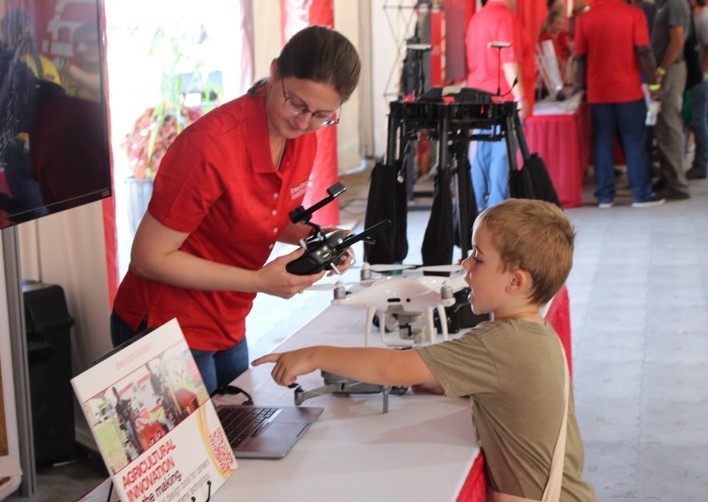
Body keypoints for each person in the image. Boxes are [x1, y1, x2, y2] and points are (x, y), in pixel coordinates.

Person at [254, 198, 596, 501]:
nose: (464, 264)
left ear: (515, 281)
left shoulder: (501, 344)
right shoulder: (532, 332)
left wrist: (312, 355)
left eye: (478, 256)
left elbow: (394, 368)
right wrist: (439, 377)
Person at [110, 26, 361, 395]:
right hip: (164, 323)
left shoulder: (301, 139)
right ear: (275, 72)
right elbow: (148, 257)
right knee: (197, 449)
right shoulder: (210, 147)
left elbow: (277, 215)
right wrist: (260, 281)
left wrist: (318, 239)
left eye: (323, 114)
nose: (305, 122)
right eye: (297, 104)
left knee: (238, 439)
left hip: (228, 317)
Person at [575, 0, 665, 208]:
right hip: (629, 90)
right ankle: (640, 195)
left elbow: (580, 57)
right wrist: (653, 84)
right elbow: (643, 51)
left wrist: (582, 87)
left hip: (598, 92)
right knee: (634, 141)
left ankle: (605, 196)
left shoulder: (585, 18)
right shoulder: (634, 14)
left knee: (602, 143)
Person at [465, 0, 529, 212]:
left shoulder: (477, 18)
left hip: (478, 97)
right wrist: (520, 99)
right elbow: (509, 61)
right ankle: (495, 216)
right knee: (501, 163)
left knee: (481, 160)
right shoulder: (505, 17)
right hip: (502, 99)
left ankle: (479, 212)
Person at [651, 0, 692, 199]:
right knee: (662, 126)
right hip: (667, 69)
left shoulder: (675, 3)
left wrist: (661, 70)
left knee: (669, 124)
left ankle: (678, 183)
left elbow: (677, 41)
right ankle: (668, 176)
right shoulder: (664, 4)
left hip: (670, 70)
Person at [686, 0, 708, 180]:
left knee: (698, 121)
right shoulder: (695, 16)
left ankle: (701, 164)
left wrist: (699, 73)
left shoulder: (704, 17)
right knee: (695, 120)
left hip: (700, 78)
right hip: (695, 77)